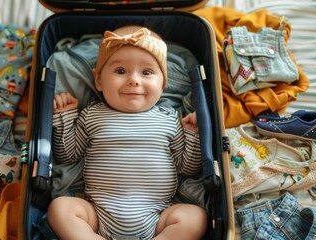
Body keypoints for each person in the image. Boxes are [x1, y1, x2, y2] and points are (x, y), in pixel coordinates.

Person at [46, 26, 207, 240]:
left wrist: (193, 136)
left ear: (163, 84)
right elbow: (68, 155)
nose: (133, 80)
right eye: (120, 71)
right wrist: (65, 118)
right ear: (99, 81)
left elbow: (187, 168)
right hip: (98, 214)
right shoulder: (92, 114)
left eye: (147, 72)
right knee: (59, 209)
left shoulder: (170, 119)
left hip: (158, 216)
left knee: (195, 217)